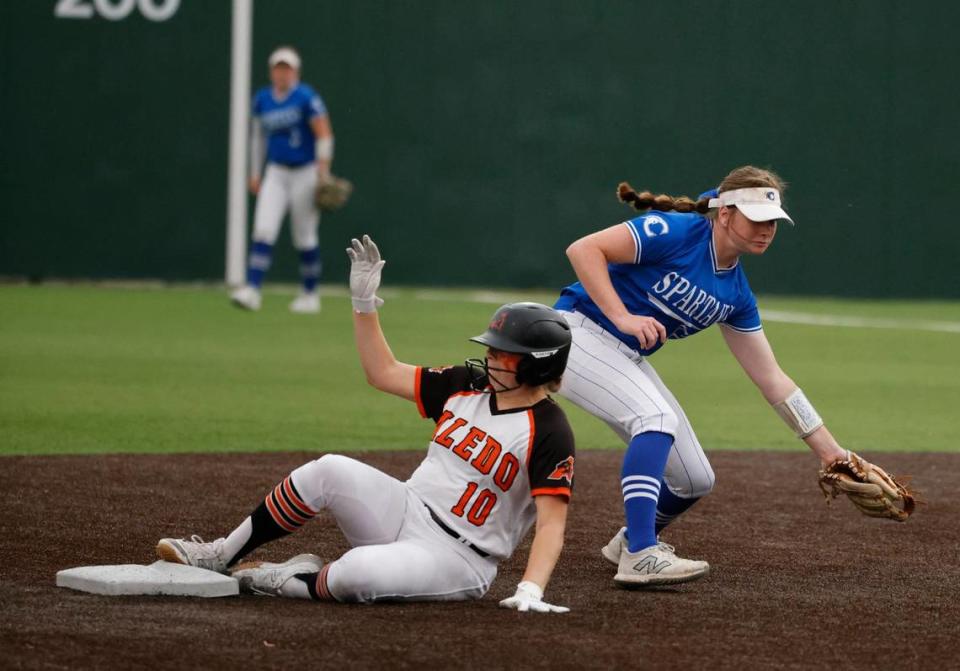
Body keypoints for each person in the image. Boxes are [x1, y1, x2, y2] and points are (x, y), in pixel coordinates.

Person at [160, 236, 577, 612]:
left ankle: (285, 580)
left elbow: (551, 524)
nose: (491, 356)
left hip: (459, 558)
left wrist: (530, 589)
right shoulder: (466, 385)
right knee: (329, 469)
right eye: (493, 348)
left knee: (355, 572)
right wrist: (363, 306)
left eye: (505, 353)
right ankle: (221, 554)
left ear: (538, 367)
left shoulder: (551, 431)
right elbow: (382, 372)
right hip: (405, 507)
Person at [553, 165, 851, 588]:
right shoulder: (677, 232)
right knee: (654, 420)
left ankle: (628, 542)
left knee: (695, 479)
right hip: (578, 333)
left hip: (624, 354)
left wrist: (830, 452)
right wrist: (622, 315)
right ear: (726, 214)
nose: (767, 230)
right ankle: (640, 553)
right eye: (757, 219)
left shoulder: (736, 295)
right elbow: (583, 249)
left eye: (773, 223)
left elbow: (772, 379)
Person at [230, 46, 335, 314]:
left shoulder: (305, 97)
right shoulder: (263, 98)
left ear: (295, 71)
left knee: (304, 235)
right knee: (264, 228)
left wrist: (323, 171)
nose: (282, 73)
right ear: (271, 71)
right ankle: (252, 290)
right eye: (278, 68)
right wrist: (255, 171)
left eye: (286, 68)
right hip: (276, 173)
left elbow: (324, 133)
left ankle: (310, 294)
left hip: (305, 173)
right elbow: (258, 137)